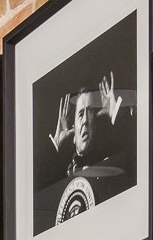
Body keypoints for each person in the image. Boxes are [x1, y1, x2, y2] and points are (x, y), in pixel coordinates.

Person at [49, 72, 126, 221]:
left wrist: (113, 115)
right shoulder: (61, 173)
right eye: (80, 114)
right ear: (73, 131)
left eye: (90, 112)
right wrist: (57, 146)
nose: (85, 120)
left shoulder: (110, 163)